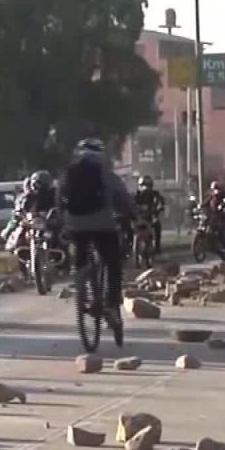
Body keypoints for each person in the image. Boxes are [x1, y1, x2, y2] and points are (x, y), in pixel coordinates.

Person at [60, 138, 132, 331]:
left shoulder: (69, 172)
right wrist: (131, 214)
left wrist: (63, 221)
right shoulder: (106, 173)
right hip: (103, 223)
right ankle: (110, 303)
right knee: (113, 262)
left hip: (75, 223)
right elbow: (122, 196)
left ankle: (81, 282)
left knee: (80, 256)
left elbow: (58, 198)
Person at [133, 176, 166, 254]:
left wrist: (160, 207)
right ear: (139, 186)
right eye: (143, 185)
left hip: (151, 216)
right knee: (129, 229)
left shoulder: (154, 194)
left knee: (157, 226)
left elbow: (160, 201)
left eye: (148, 185)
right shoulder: (136, 195)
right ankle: (128, 246)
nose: (145, 187)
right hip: (139, 217)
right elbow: (131, 203)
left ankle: (157, 247)